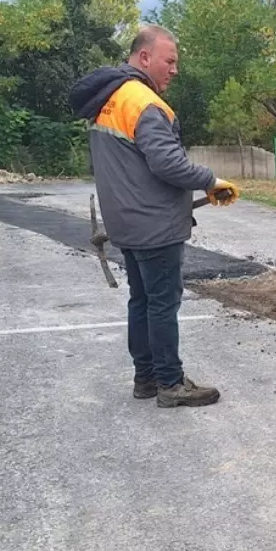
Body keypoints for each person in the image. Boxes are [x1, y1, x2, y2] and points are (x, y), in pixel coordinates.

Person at [70, 25, 240, 408]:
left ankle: (145, 379)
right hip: (154, 226)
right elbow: (167, 163)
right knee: (163, 303)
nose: (175, 69)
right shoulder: (144, 102)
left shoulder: (109, 100)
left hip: (126, 223)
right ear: (144, 58)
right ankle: (170, 383)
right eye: (170, 60)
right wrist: (210, 180)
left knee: (142, 301)